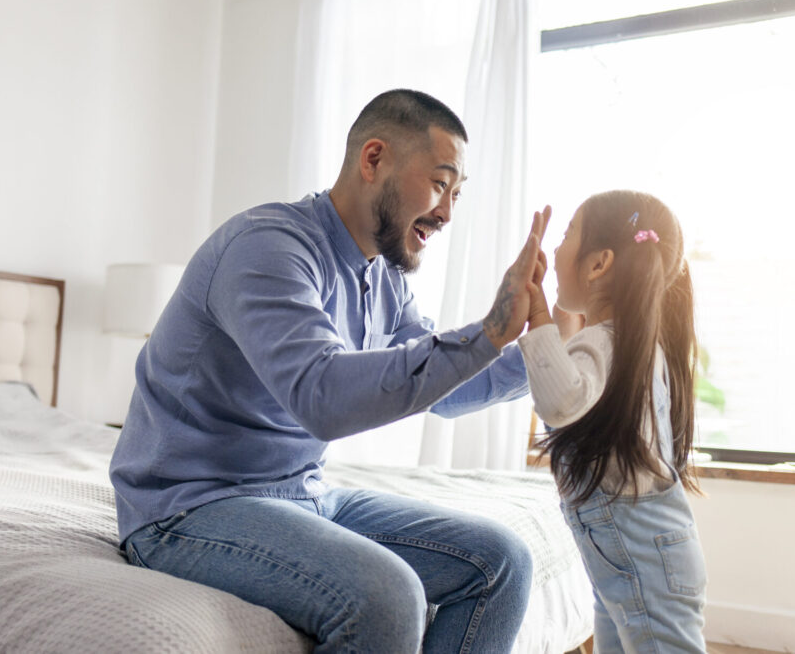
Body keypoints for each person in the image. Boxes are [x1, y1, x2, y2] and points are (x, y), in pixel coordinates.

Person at [109, 89, 552, 653]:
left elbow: (445, 388)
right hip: (187, 507)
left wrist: (542, 350)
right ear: (373, 160)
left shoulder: (383, 278)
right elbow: (322, 398)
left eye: (457, 194)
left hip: (301, 493)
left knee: (500, 563)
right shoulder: (268, 248)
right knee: (387, 595)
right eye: (441, 184)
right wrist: (489, 330)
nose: (446, 214)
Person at [517, 190, 708, 653]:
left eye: (566, 236)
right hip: (632, 557)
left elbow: (562, 399)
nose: (558, 248)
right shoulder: (626, 344)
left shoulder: (606, 344)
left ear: (598, 264)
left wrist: (537, 308)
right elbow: (576, 383)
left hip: (640, 556)